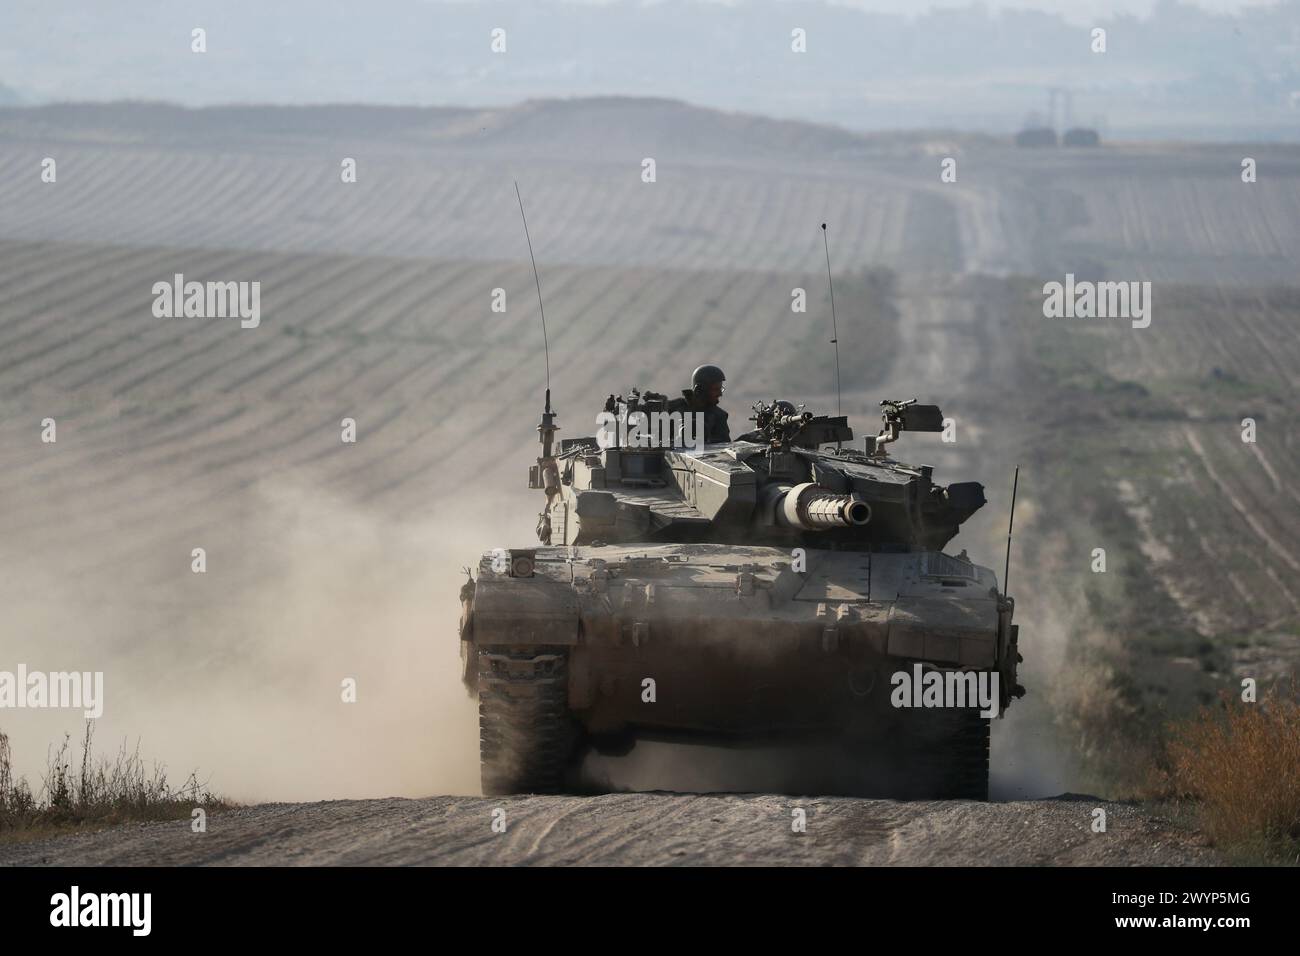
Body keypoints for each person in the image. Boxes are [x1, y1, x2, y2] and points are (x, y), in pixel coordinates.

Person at [667, 364, 730, 444]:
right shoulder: (672, 409)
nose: (720, 394)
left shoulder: (719, 416)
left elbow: (725, 446)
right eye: (715, 389)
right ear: (699, 390)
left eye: (720, 389)